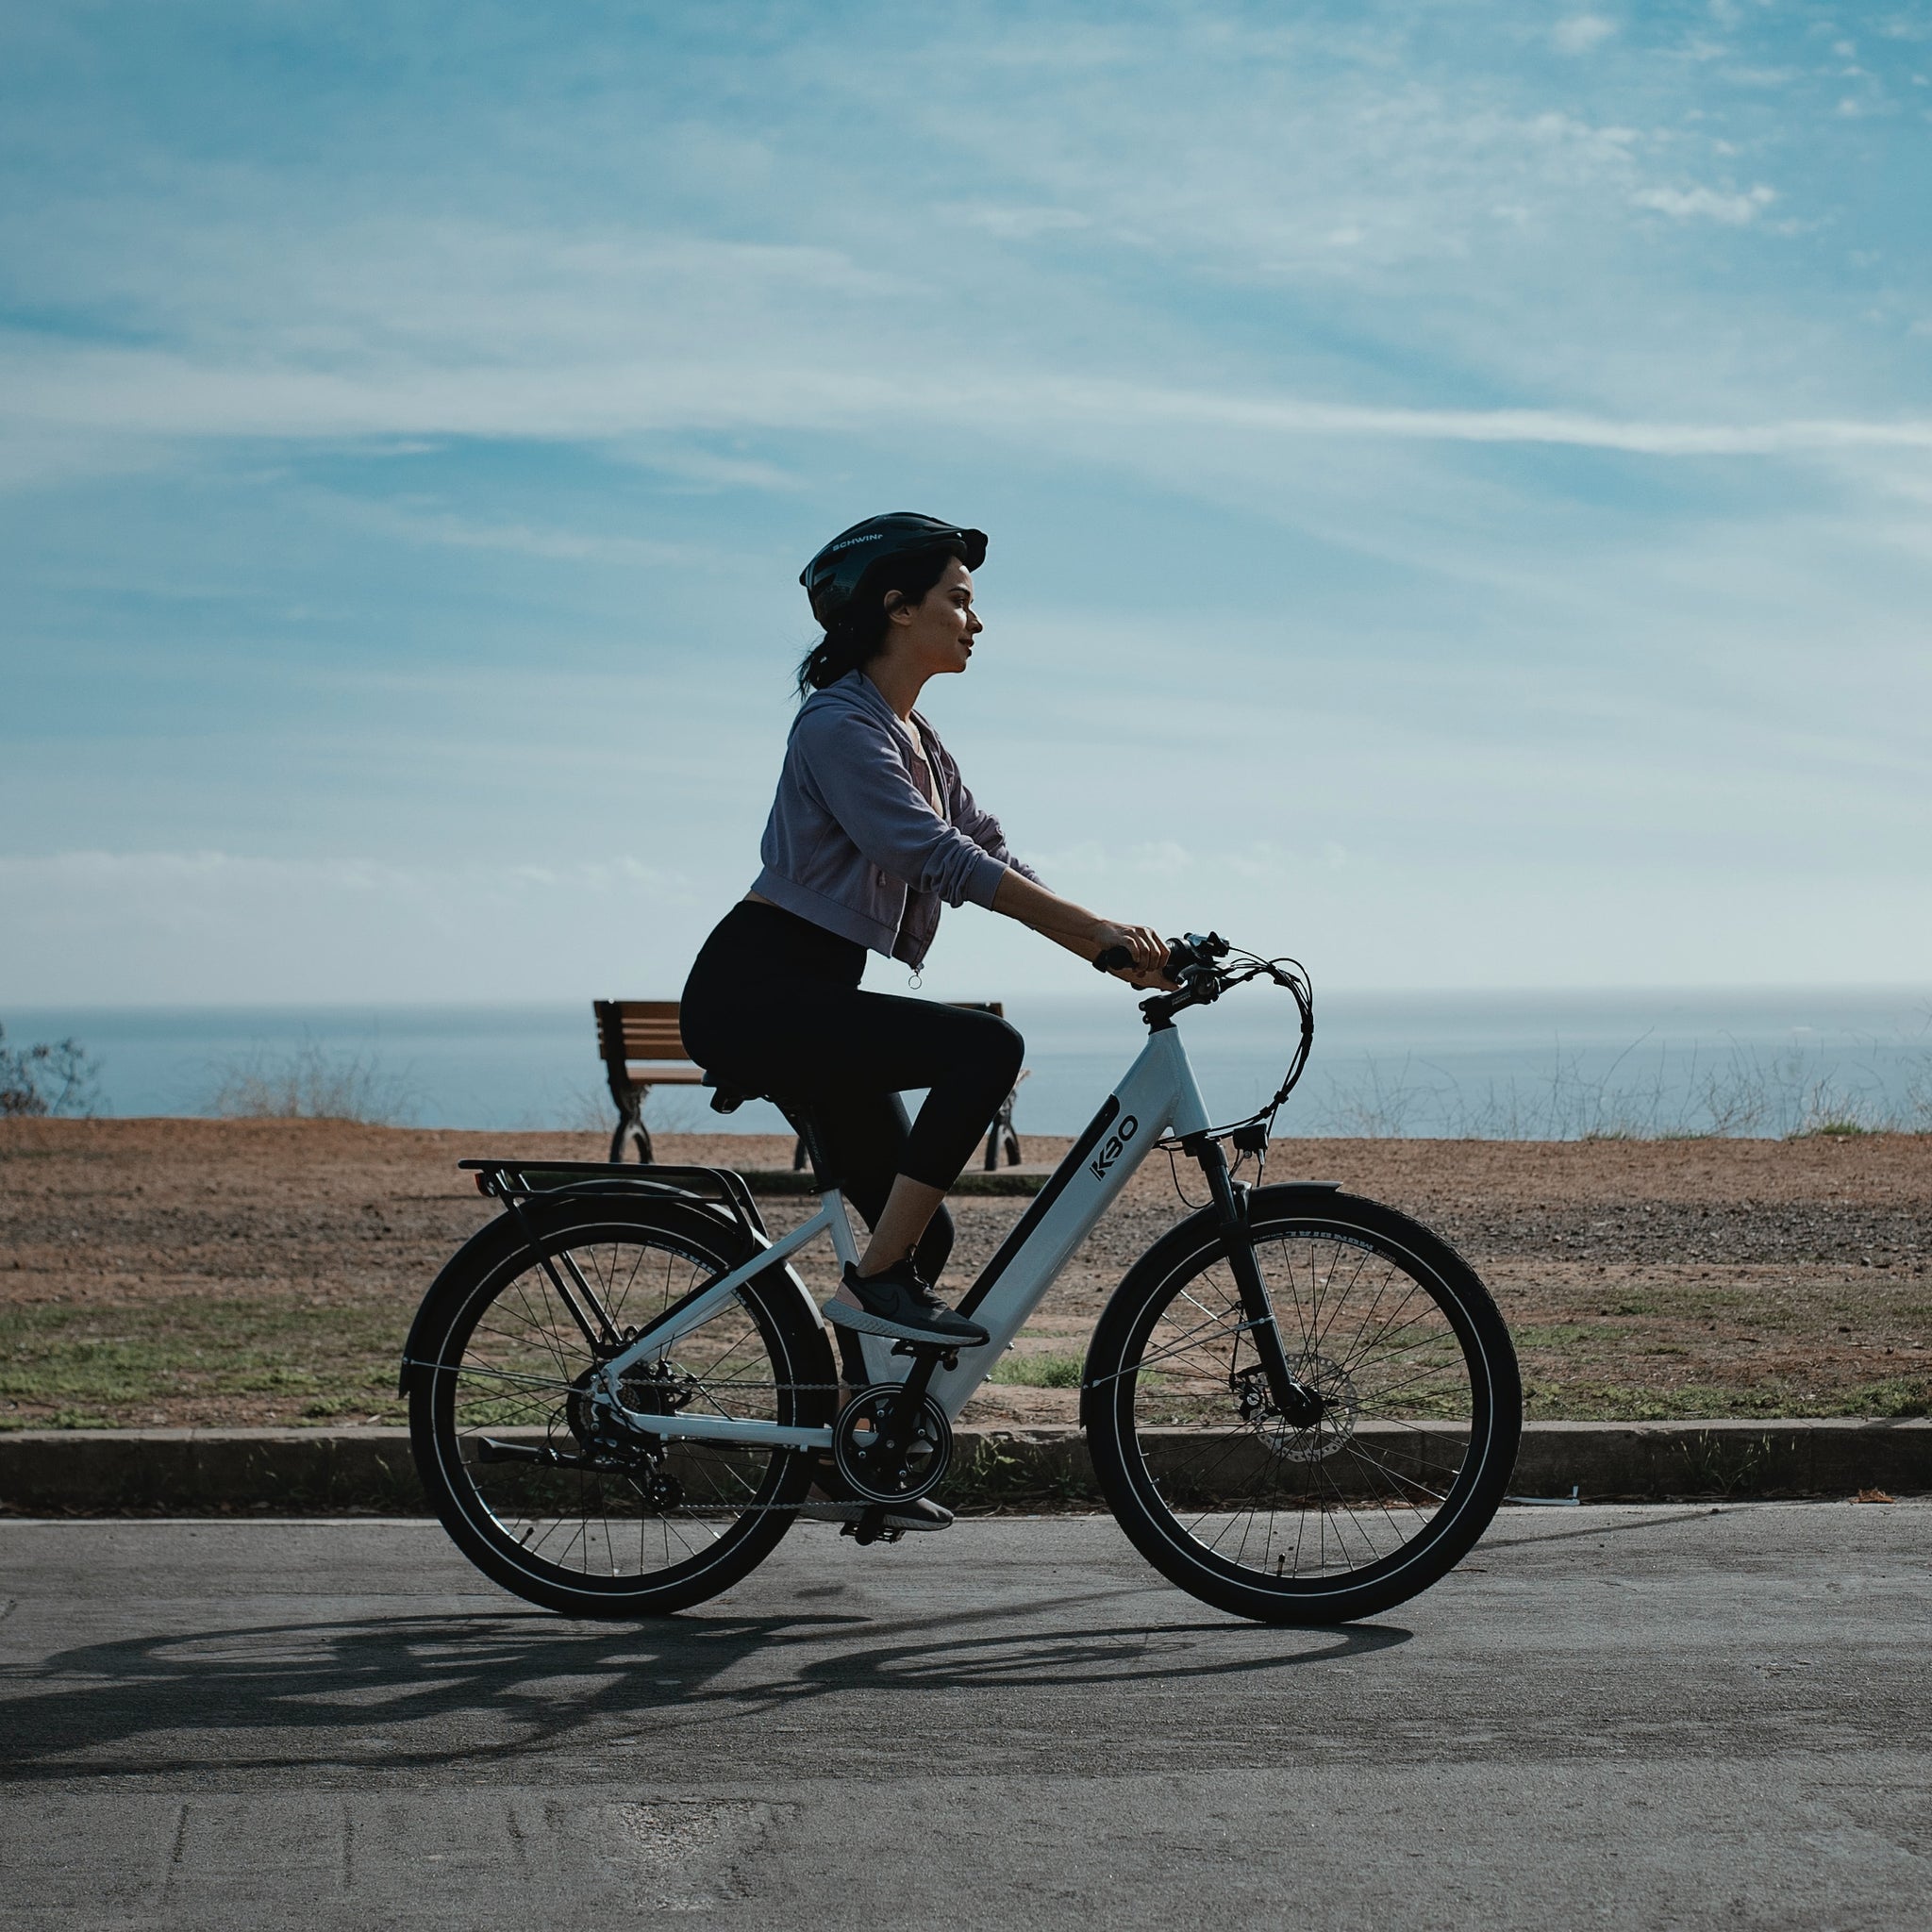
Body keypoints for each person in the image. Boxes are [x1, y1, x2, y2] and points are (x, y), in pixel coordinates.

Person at [677, 512, 1170, 1524]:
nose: (975, 618)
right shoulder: (836, 725)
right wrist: (1090, 938)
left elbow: (985, 842)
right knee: (982, 1051)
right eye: (956, 596)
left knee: (921, 1236)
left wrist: (1118, 937)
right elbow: (926, 853)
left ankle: (852, 1450)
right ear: (894, 610)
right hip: (761, 990)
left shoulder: (915, 734)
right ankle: (866, 1300)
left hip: (812, 991)